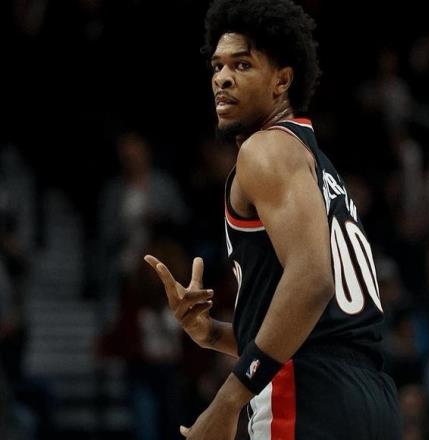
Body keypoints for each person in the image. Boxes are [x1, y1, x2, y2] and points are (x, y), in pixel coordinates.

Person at [145, 0, 401, 438]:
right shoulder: (317, 166)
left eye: (242, 65)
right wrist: (213, 334)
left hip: (305, 394)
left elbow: (312, 280)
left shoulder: (265, 149)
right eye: (217, 66)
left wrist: (227, 401)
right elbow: (320, 327)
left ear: (282, 80)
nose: (222, 78)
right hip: (372, 398)